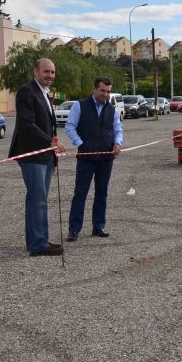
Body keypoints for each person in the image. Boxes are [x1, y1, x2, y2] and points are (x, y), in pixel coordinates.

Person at [9, 58, 66, 257]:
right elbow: (26, 124)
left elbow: (50, 128)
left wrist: (54, 157)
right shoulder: (27, 91)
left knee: (39, 199)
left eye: (52, 72)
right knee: (37, 200)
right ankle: (38, 245)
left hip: (46, 156)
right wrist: (50, 143)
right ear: (36, 72)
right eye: (46, 72)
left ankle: (38, 240)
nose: (50, 76)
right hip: (32, 154)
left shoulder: (46, 94)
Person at [65, 76, 123, 242]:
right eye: (102, 90)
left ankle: (98, 226)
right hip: (85, 157)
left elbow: (117, 129)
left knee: (102, 192)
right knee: (80, 193)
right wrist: (80, 143)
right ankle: (74, 229)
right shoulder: (79, 105)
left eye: (108, 91)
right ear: (95, 89)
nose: (106, 94)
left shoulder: (113, 109)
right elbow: (70, 127)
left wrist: (117, 143)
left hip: (106, 157)